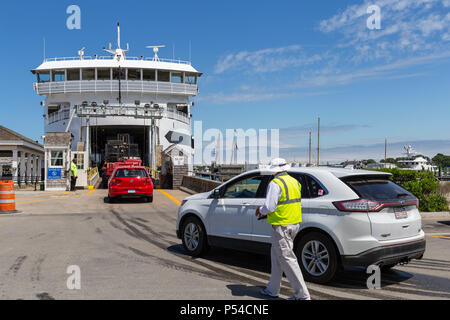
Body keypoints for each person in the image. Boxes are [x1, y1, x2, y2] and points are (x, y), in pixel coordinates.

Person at [256, 158, 311, 301]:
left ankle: (302, 296)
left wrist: (259, 211)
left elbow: (269, 207)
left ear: (274, 170)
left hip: (281, 226)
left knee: (287, 259)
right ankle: (272, 289)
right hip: (293, 224)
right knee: (276, 257)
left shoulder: (275, 183)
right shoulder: (295, 181)